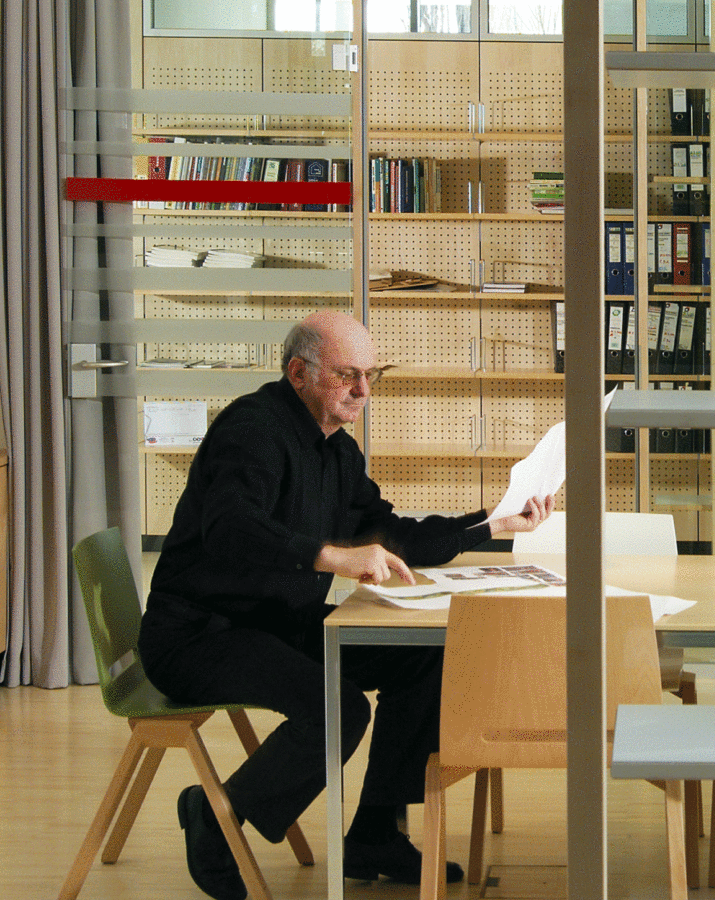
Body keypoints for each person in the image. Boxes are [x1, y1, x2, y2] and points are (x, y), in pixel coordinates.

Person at [139, 311, 553, 900]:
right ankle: (216, 814)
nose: (363, 390)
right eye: (347, 375)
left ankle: (374, 833)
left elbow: (391, 535)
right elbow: (230, 528)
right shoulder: (252, 429)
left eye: (370, 375)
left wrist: (492, 523)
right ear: (298, 373)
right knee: (340, 709)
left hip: (278, 625)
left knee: (424, 656)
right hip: (200, 635)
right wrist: (332, 556)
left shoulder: (338, 451)